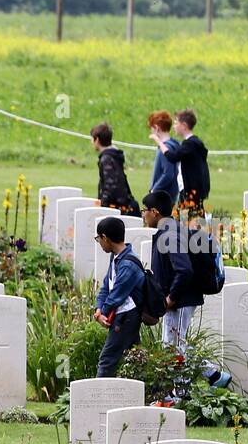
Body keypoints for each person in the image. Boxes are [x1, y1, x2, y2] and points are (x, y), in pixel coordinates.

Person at [141, 190, 231, 393]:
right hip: (178, 297)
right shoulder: (170, 231)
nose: (143, 215)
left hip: (181, 298)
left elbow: (184, 270)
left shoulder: (171, 234)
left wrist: (171, 298)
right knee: (172, 344)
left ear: (154, 212)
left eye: (144, 210)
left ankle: (183, 392)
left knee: (174, 346)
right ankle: (212, 376)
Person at [92, 216, 144, 378]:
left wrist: (103, 313)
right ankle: (153, 392)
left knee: (107, 359)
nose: (99, 242)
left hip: (127, 315)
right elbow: (107, 285)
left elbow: (117, 295)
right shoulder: (115, 257)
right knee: (136, 357)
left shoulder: (127, 264)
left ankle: (100, 399)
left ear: (105, 238)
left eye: (98, 239)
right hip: (122, 315)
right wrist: (98, 308)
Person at [154, 109, 209, 216]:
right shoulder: (194, 143)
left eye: (176, 123)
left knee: (191, 220)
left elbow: (172, 156)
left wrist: (159, 141)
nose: (174, 126)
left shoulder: (190, 144)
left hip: (190, 191)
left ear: (184, 125)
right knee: (192, 218)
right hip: (194, 191)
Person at [91, 123, 139, 217]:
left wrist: (102, 206)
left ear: (97, 139)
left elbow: (110, 185)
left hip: (115, 206)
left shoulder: (106, 159)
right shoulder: (114, 155)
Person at [146, 110, 181, 202]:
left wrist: (154, 190)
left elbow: (168, 174)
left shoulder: (165, 149)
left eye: (152, 128)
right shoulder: (176, 145)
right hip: (171, 195)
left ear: (157, 128)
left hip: (162, 198)